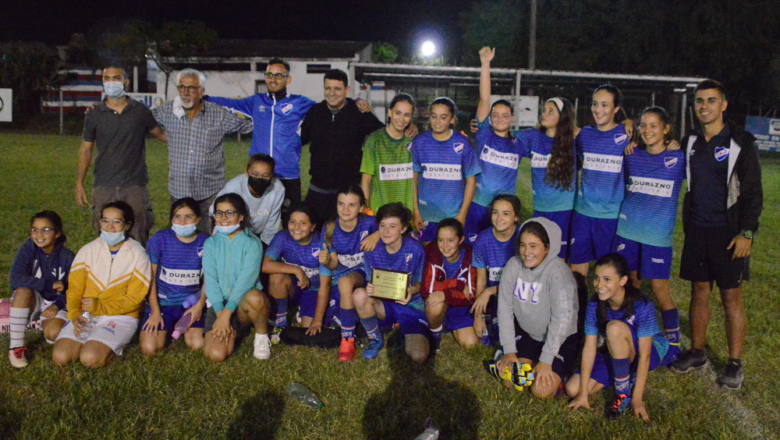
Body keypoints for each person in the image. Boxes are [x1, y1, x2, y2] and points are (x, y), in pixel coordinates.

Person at [670, 79, 763, 389]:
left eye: (711, 100)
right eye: (699, 101)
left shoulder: (741, 142)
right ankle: (697, 351)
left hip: (728, 233)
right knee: (699, 291)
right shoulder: (691, 141)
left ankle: (735, 363)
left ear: (723, 105)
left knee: (730, 298)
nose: (704, 106)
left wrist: (746, 233)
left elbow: (753, 194)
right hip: (697, 230)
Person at [567, 253, 681, 421]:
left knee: (614, 328)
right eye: (597, 278)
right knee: (572, 389)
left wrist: (637, 398)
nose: (599, 285)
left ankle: (623, 395)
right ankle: (625, 377)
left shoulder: (641, 304)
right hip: (617, 351)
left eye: (607, 279)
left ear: (622, 281)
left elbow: (645, 355)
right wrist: (583, 394)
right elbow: (589, 348)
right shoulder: (594, 304)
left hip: (650, 350)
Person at [612, 106, 685, 351]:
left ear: (666, 129)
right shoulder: (631, 154)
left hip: (657, 235)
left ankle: (673, 341)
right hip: (628, 230)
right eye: (643, 125)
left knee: (658, 287)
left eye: (654, 125)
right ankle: (625, 330)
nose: (647, 130)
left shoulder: (679, 158)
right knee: (629, 282)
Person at [204, 58, 314, 220]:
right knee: (256, 219)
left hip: (288, 175)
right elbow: (230, 103)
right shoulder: (256, 102)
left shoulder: (300, 103)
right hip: (259, 175)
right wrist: (204, 99)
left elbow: (327, 109)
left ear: (287, 79)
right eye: (269, 74)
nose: (273, 79)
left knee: (291, 221)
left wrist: (355, 104)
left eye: (278, 75)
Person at [152, 68, 254, 234]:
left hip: (210, 191)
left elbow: (249, 126)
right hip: (179, 189)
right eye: (181, 87)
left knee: (211, 237)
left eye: (191, 88)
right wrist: (162, 135)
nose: (185, 92)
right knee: (181, 237)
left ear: (201, 91)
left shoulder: (218, 114)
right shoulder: (167, 111)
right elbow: (142, 120)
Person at [52, 201, 151, 368]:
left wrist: (100, 306)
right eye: (105, 220)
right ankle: (93, 340)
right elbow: (74, 289)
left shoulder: (138, 254)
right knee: (61, 357)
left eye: (116, 221)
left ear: (127, 225)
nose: (109, 227)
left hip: (121, 316)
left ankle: (112, 348)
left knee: (89, 358)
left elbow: (135, 299)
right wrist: (75, 314)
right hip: (87, 313)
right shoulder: (87, 251)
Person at [75, 65, 166, 246]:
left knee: (138, 233)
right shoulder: (94, 114)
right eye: (106, 78)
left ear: (126, 82)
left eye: (115, 78)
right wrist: (79, 183)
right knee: (105, 236)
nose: (111, 82)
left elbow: (161, 135)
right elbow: (86, 149)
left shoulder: (140, 111)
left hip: (134, 185)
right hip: (104, 185)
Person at [496, 218, 579, 399]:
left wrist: (546, 360)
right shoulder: (513, 265)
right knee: (510, 380)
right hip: (530, 335)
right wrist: (510, 351)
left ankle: (560, 376)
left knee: (539, 391)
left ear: (547, 248)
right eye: (523, 245)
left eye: (533, 246)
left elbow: (562, 320)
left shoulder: (558, 272)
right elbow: (504, 308)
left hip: (561, 340)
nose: (527, 252)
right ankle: (525, 361)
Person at [301, 69, 385, 222]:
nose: (332, 93)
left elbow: (384, 134)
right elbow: (299, 140)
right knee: (313, 235)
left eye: (337, 88)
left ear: (347, 90)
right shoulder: (315, 113)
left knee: (347, 237)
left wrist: (408, 128)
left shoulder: (358, 112)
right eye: (328, 88)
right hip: (318, 191)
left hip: (348, 193)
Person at [352, 203, 428, 362]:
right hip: (384, 305)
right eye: (382, 226)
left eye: (392, 226)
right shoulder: (371, 249)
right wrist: (370, 287)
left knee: (418, 356)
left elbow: (423, 285)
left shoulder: (415, 250)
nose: (386, 231)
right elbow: (369, 281)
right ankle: (375, 338)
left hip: (409, 305)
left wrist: (411, 291)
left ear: (403, 228)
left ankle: (403, 330)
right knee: (359, 295)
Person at [569, 84, 630, 278]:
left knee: (607, 273)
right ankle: (578, 309)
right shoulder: (584, 135)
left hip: (610, 216)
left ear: (616, 109)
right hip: (583, 213)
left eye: (605, 105)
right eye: (595, 104)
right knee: (576, 270)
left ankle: (605, 309)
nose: (598, 109)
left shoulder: (626, 135)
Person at [202, 193, 272, 362]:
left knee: (255, 297)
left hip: (242, 303)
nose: (223, 218)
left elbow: (245, 282)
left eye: (229, 213)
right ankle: (234, 331)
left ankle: (261, 337)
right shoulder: (210, 243)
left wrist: (227, 315)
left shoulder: (252, 243)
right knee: (216, 355)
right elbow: (210, 280)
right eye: (219, 213)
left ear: (241, 216)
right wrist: (220, 315)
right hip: (219, 305)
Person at [465, 47, 526, 241]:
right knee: (472, 249)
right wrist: (485, 64)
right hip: (478, 203)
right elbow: (485, 98)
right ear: (489, 118)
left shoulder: (520, 142)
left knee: (502, 250)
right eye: (495, 115)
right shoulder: (484, 134)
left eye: (505, 115)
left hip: (504, 209)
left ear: (512, 118)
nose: (500, 119)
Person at [139, 198, 209, 356]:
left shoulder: (206, 242)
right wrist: (155, 311)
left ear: (198, 219)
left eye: (189, 217)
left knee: (197, 344)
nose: (183, 222)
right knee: (149, 348)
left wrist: (199, 306)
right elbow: (150, 278)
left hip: (189, 304)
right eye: (177, 216)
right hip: (163, 303)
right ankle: (166, 325)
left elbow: (210, 278)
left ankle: (181, 327)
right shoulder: (160, 239)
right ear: (171, 219)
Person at [318, 185, 379, 361]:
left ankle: (347, 340)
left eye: (352, 205)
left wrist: (377, 235)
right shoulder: (329, 227)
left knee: (346, 283)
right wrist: (327, 261)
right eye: (341, 204)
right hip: (340, 276)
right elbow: (334, 264)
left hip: (363, 274)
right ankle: (353, 328)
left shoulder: (370, 223)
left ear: (361, 207)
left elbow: (390, 232)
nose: (345, 209)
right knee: (341, 293)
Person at [8, 211, 75, 368]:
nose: (39, 235)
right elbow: (15, 279)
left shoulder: (68, 257)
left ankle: (44, 325)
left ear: (57, 233)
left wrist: (57, 305)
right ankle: (16, 346)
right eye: (34, 230)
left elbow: (74, 289)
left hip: (55, 302)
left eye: (46, 230)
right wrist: (48, 284)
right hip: (33, 298)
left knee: (54, 333)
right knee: (22, 290)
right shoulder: (28, 248)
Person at [515, 97, 577, 258]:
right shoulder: (533, 136)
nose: (544, 114)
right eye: (544, 110)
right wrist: (482, 127)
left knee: (559, 258)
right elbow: (505, 134)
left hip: (564, 210)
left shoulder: (574, 140)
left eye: (551, 111)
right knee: (540, 255)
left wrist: (626, 122)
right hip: (540, 208)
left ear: (562, 117)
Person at [412, 97, 481, 243]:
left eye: (443, 117)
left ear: (452, 119)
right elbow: (414, 178)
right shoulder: (419, 142)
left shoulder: (462, 143)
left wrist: (462, 215)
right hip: (427, 214)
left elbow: (471, 180)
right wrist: (416, 211)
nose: (437, 121)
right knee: (428, 257)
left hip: (453, 215)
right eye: (433, 116)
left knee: (451, 255)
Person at [262, 203, 336, 339]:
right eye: (292, 222)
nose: (296, 228)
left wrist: (317, 320)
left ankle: (304, 310)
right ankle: (280, 322)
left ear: (313, 226)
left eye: (303, 223)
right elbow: (265, 265)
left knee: (308, 330)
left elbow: (325, 284)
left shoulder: (321, 243)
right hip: (294, 287)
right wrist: (296, 270)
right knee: (276, 275)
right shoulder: (283, 237)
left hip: (314, 290)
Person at [470, 194, 522, 346]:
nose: (499, 218)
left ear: (516, 217)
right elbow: (481, 279)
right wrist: (477, 316)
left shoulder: (522, 239)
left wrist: (490, 291)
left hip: (521, 294)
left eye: (506, 214)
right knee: (500, 338)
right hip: (498, 298)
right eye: (495, 212)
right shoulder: (482, 240)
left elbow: (527, 281)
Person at [421, 219, 479, 350]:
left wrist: (446, 294)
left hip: (458, 305)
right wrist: (456, 284)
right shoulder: (432, 252)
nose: (445, 245)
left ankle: (450, 323)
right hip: (442, 299)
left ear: (461, 240)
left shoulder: (469, 256)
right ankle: (435, 335)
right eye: (441, 240)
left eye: (451, 240)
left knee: (471, 344)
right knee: (434, 304)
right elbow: (426, 289)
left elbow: (469, 295)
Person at [360, 93, 417, 213]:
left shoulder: (415, 141)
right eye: (398, 113)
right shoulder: (374, 140)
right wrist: (365, 208)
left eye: (407, 115)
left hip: (406, 214)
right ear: (389, 112)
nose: (401, 119)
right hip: (379, 213)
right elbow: (366, 179)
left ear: (411, 117)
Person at [214, 154, 285, 247]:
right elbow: (217, 214)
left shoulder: (278, 189)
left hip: (258, 236)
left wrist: (264, 247)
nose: (259, 178)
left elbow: (271, 226)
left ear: (272, 176)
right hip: (231, 233)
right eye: (255, 174)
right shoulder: (234, 188)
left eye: (265, 175)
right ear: (247, 173)